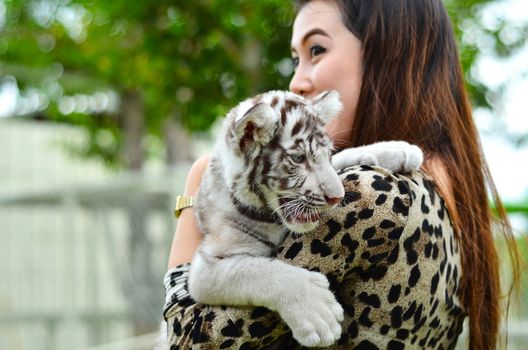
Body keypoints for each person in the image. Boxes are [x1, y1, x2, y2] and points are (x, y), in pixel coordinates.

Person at [163, 0, 520, 349]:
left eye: (316, 50)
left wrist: (196, 191)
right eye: (294, 59)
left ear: (388, 52)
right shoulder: (439, 189)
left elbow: (189, 340)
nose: (296, 82)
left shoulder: (368, 197)